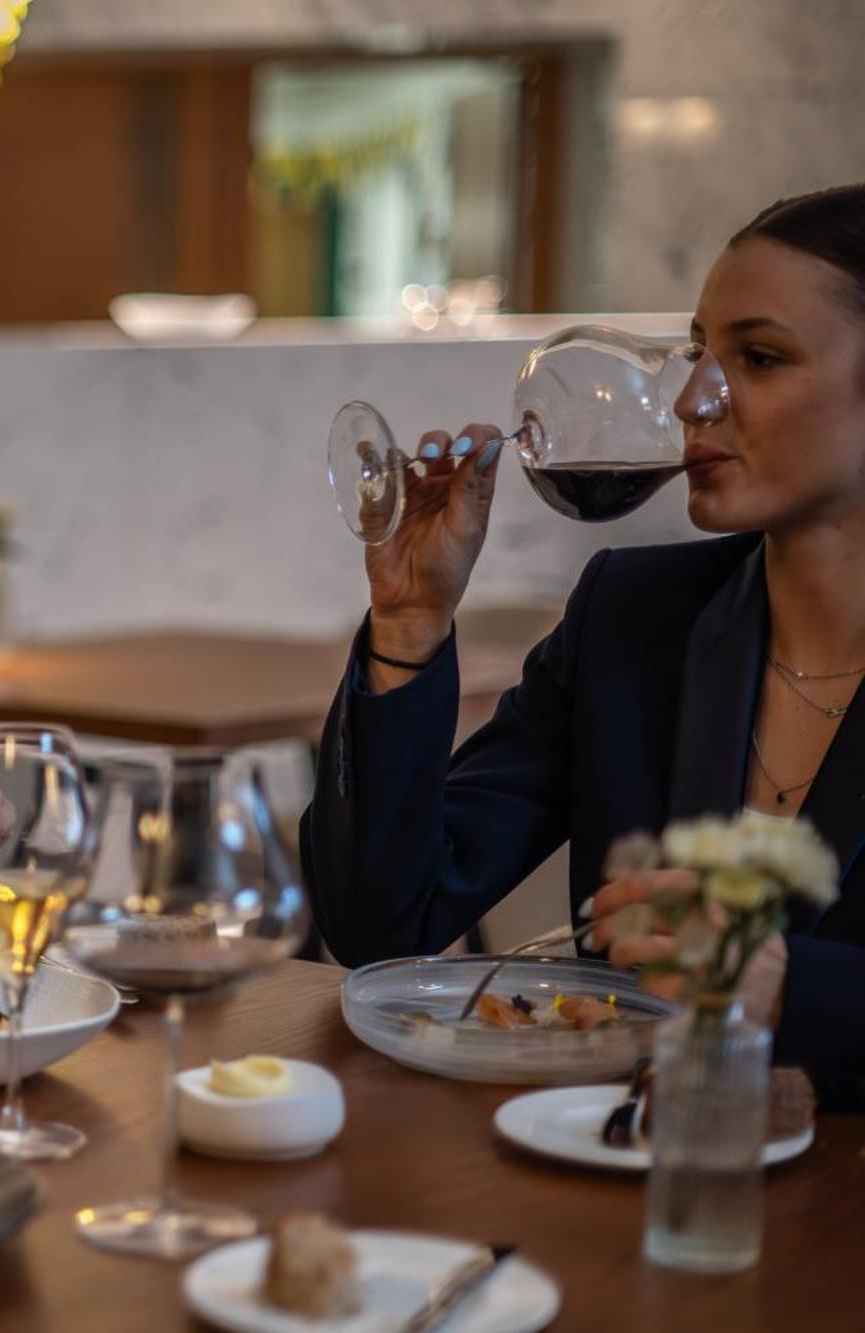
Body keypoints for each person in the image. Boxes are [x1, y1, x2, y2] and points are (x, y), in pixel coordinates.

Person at [301, 184, 865, 1110]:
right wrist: (411, 626)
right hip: (615, 1183)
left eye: (757, 358)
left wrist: (791, 988)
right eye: (698, 355)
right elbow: (379, 921)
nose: (693, 401)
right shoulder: (633, 618)